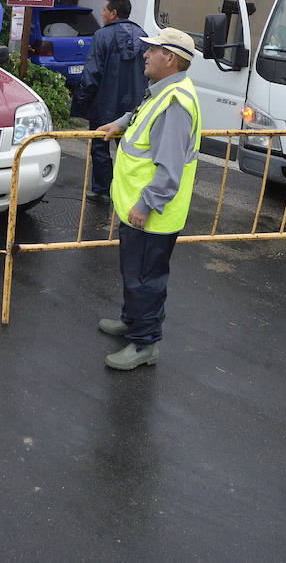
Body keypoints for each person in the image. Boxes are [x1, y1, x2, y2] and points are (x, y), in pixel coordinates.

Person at [94, 27, 202, 371]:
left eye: (152, 49)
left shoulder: (174, 104)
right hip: (139, 210)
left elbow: (169, 169)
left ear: (169, 58)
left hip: (152, 214)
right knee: (134, 272)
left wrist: (145, 205)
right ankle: (132, 321)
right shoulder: (164, 92)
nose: (145, 54)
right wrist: (119, 123)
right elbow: (142, 114)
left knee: (146, 278)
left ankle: (144, 344)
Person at [72, 0, 148, 200]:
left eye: (104, 10)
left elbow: (92, 73)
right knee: (131, 150)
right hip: (134, 106)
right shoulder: (143, 36)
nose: (102, 14)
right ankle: (130, 192)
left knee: (100, 148)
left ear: (113, 13)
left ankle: (102, 190)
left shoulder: (102, 36)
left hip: (104, 104)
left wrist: (81, 101)